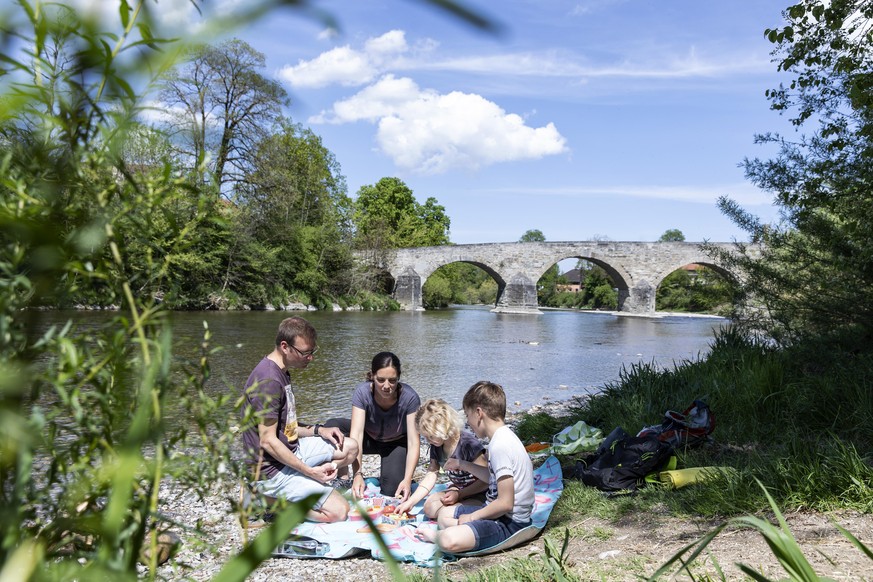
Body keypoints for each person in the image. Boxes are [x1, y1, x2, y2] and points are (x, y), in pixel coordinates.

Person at [240, 316, 358, 523]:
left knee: (349, 447)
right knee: (339, 512)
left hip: (291, 452)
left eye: (312, 352)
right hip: (270, 471)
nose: (310, 358)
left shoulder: (281, 371)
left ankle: (302, 485)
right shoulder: (268, 381)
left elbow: (286, 427)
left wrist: (319, 430)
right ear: (285, 347)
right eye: (305, 353)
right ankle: (266, 499)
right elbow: (267, 440)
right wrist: (311, 473)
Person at [416, 381, 534, 553]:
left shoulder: (500, 446)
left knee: (449, 540)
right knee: (444, 516)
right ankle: (464, 529)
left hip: (508, 523)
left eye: (468, 415)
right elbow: (489, 477)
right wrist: (462, 464)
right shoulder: (503, 437)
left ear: (479, 413)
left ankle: (445, 536)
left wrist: (473, 516)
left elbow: (506, 503)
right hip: (496, 511)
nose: (468, 422)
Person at [325, 351, 421, 501]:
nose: (386, 386)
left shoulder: (410, 398)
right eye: (381, 380)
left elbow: (414, 442)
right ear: (373, 376)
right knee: (332, 426)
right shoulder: (362, 393)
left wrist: (408, 479)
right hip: (369, 438)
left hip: (395, 444)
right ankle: (343, 479)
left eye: (392, 380)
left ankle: (395, 473)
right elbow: (357, 434)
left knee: (392, 491)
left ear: (399, 378)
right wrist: (358, 474)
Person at [396, 399, 488, 519]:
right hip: (458, 489)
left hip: (480, 493)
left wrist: (460, 494)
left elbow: (487, 480)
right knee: (429, 507)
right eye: (425, 437)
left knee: (445, 515)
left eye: (431, 436)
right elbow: (431, 475)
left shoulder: (467, 444)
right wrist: (411, 502)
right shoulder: (437, 445)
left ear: (443, 427)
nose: (428, 441)